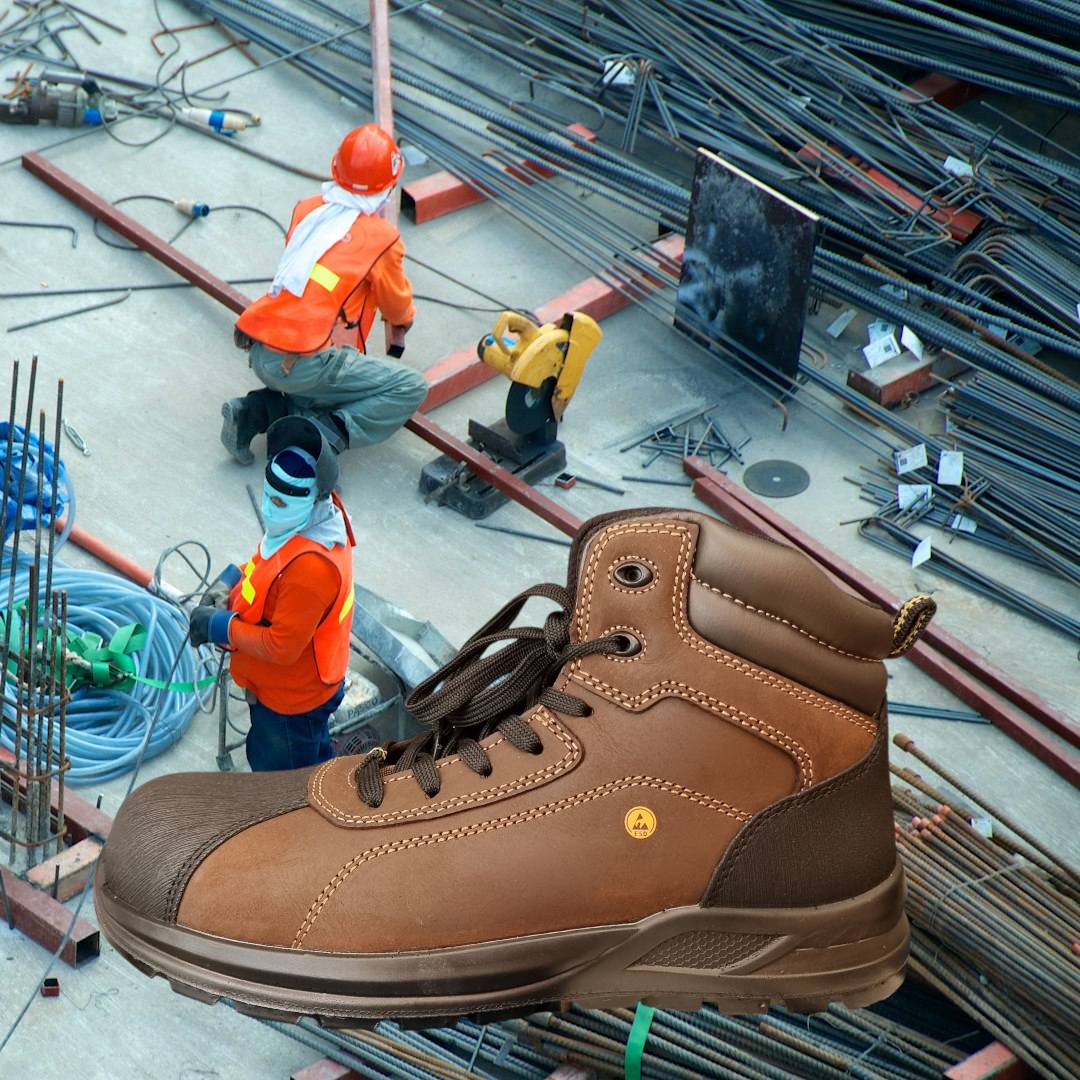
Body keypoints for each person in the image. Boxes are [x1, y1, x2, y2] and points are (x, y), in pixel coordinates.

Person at [222, 123, 428, 465]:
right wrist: (403, 321)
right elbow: (396, 305)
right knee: (409, 387)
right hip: (303, 361)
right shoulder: (381, 238)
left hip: (261, 346)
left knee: (322, 382)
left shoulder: (309, 209)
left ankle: (252, 413)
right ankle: (321, 437)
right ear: (388, 186)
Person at [191, 417, 357, 771]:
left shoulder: (312, 568)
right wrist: (228, 581)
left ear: (314, 498)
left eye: (279, 503)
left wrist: (219, 627)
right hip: (280, 689)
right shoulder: (300, 525)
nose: (269, 508)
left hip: (293, 701)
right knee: (304, 757)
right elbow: (265, 566)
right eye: (267, 496)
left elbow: (282, 647)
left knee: (281, 781)